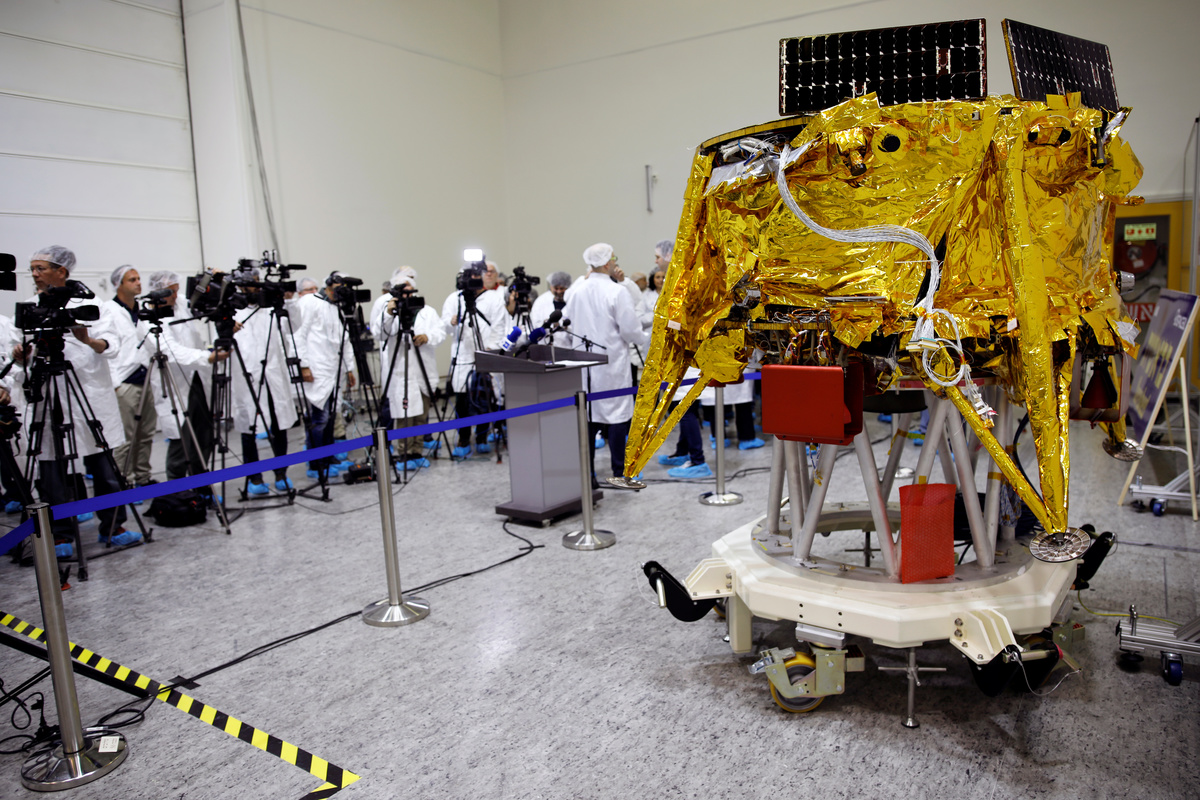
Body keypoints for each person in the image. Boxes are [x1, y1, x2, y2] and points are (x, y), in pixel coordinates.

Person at [16, 246, 138, 548]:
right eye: (32, 269)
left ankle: (113, 527)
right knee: (53, 473)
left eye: (41, 268)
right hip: (50, 396)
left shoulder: (92, 305)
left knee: (105, 470)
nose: (34, 274)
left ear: (61, 271)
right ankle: (60, 535)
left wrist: (88, 339)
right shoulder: (31, 307)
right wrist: (23, 354)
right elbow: (22, 352)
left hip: (89, 396)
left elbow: (111, 345)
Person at [563, 242, 649, 483]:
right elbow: (630, 330)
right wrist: (643, 338)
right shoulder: (616, 292)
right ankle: (620, 472)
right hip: (612, 364)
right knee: (617, 415)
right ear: (607, 263)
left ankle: (587, 474)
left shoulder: (577, 291)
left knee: (589, 415)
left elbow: (567, 324)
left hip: (584, 364)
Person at [147, 270, 228, 490]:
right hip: (175, 383)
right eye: (170, 292)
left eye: (176, 290)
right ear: (157, 292)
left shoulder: (180, 303)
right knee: (181, 442)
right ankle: (177, 492)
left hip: (196, 379)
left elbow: (202, 302)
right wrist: (207, 357)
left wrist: (211, 280)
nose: (176, 296)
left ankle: (201, 488)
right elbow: (171, 350)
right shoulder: (148, 320)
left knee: (203, 436)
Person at [232, 268, 299, 494]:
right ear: (241, 285)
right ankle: (254, 479)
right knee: (249, 427)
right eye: (250, 283)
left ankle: (281, 473)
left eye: (257, 282)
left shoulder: (271, 309)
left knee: (279, 425)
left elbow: (294, 325)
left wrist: (287, 301)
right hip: (248, 377)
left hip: (273, 376)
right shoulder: (234, 311)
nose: (255, 287)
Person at [374, 266, 446, 468]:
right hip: (401, 370)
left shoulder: (426, 311)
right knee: (404, 416)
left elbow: (440, 332)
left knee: (421, 416)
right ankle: (404, 453)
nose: (405, 291)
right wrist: (390, 313)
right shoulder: (388, 310)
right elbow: (380, 333)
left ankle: (417, 451)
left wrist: (427, 337)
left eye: (408, 287)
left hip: (423, 369)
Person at [441, 261, 507, 457]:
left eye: (477, 276)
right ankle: (463, 438)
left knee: (484, 399)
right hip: (462, 356)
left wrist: (491, 349)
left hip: (485, 354)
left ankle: (481, 437)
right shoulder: (455, 299)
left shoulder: (493, 298)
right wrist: (451, 321)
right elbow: (444, 325)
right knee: (462, 400)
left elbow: (499, 326)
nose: (474, 280)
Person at [293, 272, 355, 479]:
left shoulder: (335, 307)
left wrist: (349, 368)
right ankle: (315, 464)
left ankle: (329, 458)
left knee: (330, 417)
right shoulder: (310, 302)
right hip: (317, 368)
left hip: (333, 369)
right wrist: (303, 365)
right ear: (328, 286)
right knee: (318, 419)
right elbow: (298, 334)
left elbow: (344, 339)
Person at [106, 265, 158, 490]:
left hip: (145, 379)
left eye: (138, 279)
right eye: (132, 280)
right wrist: (116, 384)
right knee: (125, 438)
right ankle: (124, 481)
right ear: (118, 284)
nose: (138, 283)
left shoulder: (142, 311)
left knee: (146, 434)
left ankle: (143, 477)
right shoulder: (109, 310)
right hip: (124, 382)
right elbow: (106, 349)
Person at [530, 271, 571, 348]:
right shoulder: (541, 301)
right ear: (551, 286)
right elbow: (534, 324)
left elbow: (578, 330)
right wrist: (546, 324)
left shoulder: (572, 302)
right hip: (545, 347)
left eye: (562, 288)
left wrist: (566, 328)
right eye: (556, 288)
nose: (559, 291)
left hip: (566, 347)